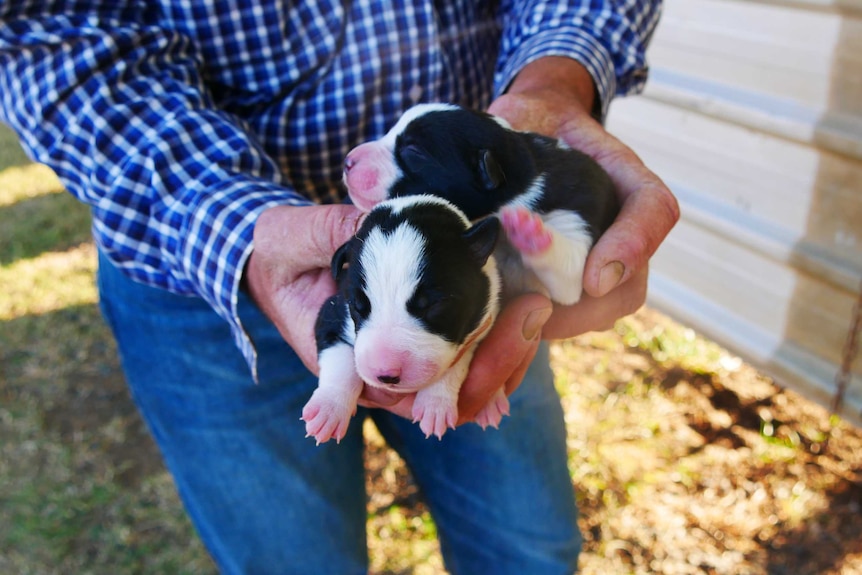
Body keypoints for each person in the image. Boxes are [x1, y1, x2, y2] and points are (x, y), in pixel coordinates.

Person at [0, 1, 678, 573]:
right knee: (294, 560)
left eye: (400, 151)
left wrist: (557, 77)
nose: (368, 156)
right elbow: (43, 31)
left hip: (469, 267)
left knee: (529, 545)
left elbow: (551, 259)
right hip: (205, 263)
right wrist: (237, 225)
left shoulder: (509, 225)